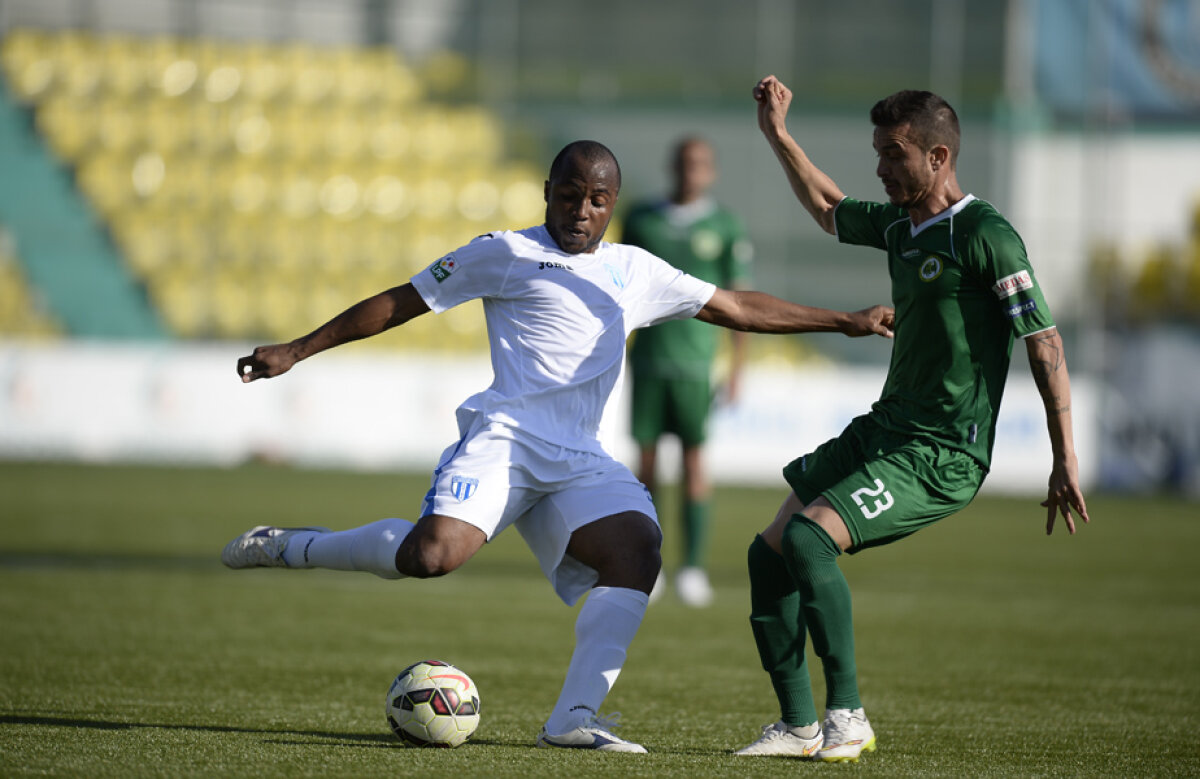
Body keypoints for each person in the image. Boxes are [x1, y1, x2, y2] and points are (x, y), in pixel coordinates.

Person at [223, 140, 895, 754]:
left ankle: (573, 718)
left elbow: (737, 307)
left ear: (613, 205)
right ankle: (293, 545)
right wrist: (298, 349)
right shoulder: (503, 253)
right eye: (570, 195)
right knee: (429, 557)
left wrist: (846, 320)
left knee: (637, 550)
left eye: (597, 200)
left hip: (578, 458)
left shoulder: (634, 270)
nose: (582, 210)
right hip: (505, 442)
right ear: (548, 192)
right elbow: (403, 301)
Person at [733, 77, 1091, 763]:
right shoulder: (901, 225)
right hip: (885, 428)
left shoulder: (986, 235)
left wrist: (1064, 456)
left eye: (893, 153)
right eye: (878, 152)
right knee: (768, 553)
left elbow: (1044, 341)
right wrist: (777, 134)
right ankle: (799, 726)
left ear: (939, 156)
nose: (880, 167)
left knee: (809, 539)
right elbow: (829, 208)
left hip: (942, 452)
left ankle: (847, 717)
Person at [622, 137, 753, 608]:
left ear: (710, 171)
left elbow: (740, 300)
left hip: (696, 366)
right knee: (646, 468)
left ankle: (693, 568)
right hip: (648, 360)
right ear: (671, 166)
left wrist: (737, 368)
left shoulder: (725, 226)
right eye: (683, 162)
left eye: (699, 164)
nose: (690, 171)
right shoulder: (641, 219)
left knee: (695, 464)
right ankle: (648, 564)